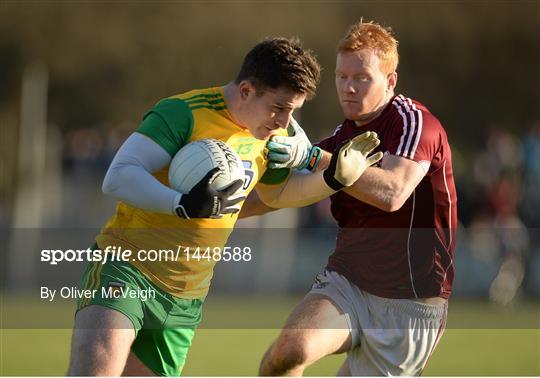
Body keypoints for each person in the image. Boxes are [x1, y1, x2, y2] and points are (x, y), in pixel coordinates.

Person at [67, 37, 383, 376]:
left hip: (186, 296)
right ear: (246, 90)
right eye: (279, 107)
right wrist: (181, 204)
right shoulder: (183, 113)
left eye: (293, 110)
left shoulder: (274, 133)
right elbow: (118, 176)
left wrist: (333, 180)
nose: (285, 122)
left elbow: (278, 196)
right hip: (127, 266)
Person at [247, 20, 458, 376]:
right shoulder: (338, 137)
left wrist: (315, 158)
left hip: (409, 306)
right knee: (286, 353)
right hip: (348, 284)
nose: (348, 87)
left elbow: (392, 192)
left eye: (361, 78)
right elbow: (276, 197)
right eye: (342, 76)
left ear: (390, 81)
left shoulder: (413, 122)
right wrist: (210, 207)